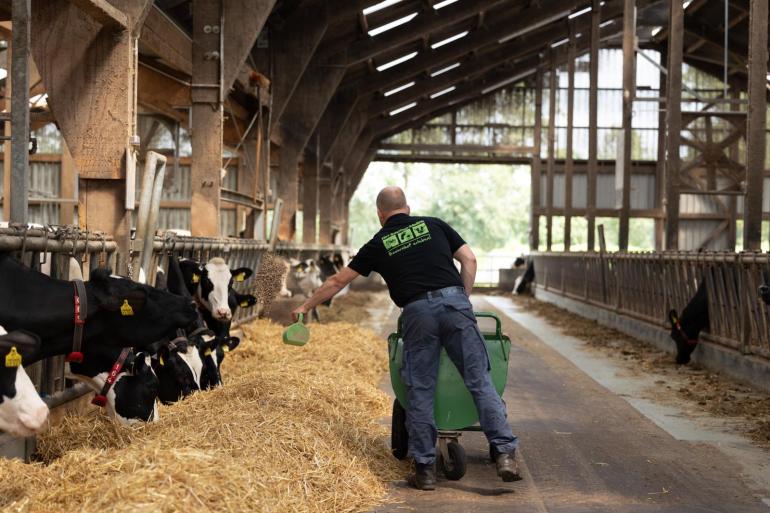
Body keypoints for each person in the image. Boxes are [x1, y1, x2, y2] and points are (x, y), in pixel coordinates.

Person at [291, 186, 519, 490]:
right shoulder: (434, 224)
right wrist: (461, 299)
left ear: (380, 214)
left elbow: (337, 281)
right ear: (408, 208)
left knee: (421, 389)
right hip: (454, 304)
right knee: (479, 380)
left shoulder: (378, 242)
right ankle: (504, 454)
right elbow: (470, 260)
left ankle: (425, 470)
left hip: (417, 312)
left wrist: (306, 306)